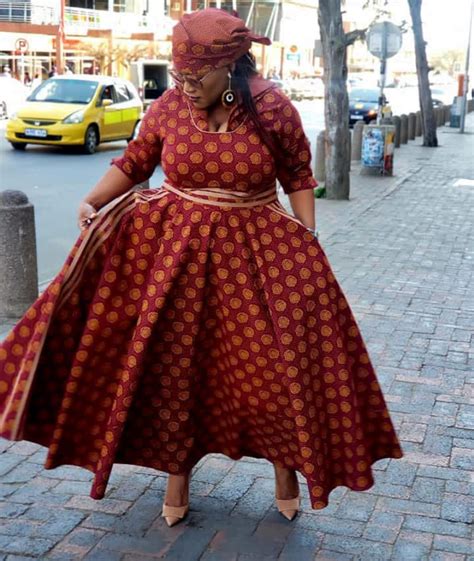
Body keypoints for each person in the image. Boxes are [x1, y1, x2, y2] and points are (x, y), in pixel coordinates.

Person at [0, 8, 402, 529]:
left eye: (196, 77)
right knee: (175, 368)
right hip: (175, 260)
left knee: (271, 373)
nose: (185, 86)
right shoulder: (169, 106)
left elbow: (300, 173)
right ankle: (177, 475)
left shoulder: (273, 107)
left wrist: (307, 238)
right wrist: (93, 199)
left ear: (230, 67)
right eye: (179, 76)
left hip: (258, 259)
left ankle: (286, 471)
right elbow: (138, 158)